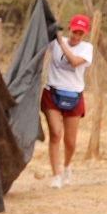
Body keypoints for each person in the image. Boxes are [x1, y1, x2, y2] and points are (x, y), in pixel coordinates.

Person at [40, 14, 93, 189]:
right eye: (74, 32)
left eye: (80, 33)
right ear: (69, 29)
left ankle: (67, 166)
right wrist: (50, 23)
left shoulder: (86, 48)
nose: (76, 36)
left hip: (74, 95)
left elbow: (75, 62)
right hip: (52, 92)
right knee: (55, 133)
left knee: (70, 141)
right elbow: (40, 39)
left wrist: (61, 43)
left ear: (85, 34)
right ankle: (55, 176)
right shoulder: (54, 43)